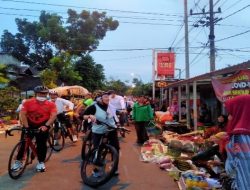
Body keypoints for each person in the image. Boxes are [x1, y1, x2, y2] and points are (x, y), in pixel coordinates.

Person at [12, 86, 57, 172]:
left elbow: (53, 115)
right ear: (36, 94)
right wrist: (26, 126)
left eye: (44, 93)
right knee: (23, 143)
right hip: (29, 123)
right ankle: (18, 161)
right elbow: (23, 114)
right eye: (40, 93)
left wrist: (46, 126)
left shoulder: (51, 104)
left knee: (41, 144)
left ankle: (41, 162)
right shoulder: (27, 102)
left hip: (43, 124)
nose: (42, 95)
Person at [82, 92, 120, 176]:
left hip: (111, 130)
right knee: (97, 150)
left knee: (115, 149)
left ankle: (114, 167)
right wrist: (89, 116)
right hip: (98, 131)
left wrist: (118, 121)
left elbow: (115, 116)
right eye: (105, 97)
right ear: (100, 99)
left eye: (108, 97)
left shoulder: (111, 107)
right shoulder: (94, 107)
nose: (107, 99)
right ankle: (96, 170)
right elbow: (83, 115)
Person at [224, 95, 250, 190]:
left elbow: (232, 169)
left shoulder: (239, 136)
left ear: (240, 111)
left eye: (231, 112)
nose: (229, 117)